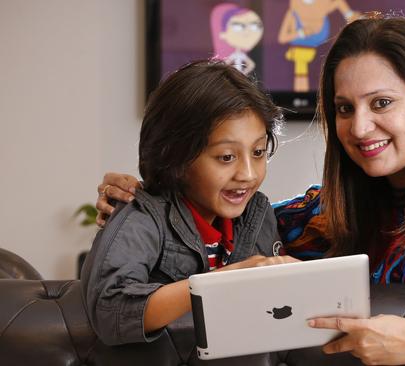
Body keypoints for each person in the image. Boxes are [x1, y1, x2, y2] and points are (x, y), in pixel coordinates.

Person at [96, 15, 405, 365]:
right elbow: (220, 229)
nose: (360, 127)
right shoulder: (320, 213)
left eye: (381, 103)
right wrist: (149, 204)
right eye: (344, 108)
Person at [81, 60, 297, 346]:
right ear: (177, 157)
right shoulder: (142, 217)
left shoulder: (258, 214)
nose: (247, 174)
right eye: (226, 157)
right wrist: (227, 279)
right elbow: (111, 313)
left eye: (258, 152)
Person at [210, 3, 263, 75]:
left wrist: (243, 73)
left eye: (254, 27)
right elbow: (226, 63)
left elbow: (251, 65)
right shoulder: (234, 55)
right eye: (238, 27)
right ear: (223, 34)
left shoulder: (241, 54)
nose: (247, 32)